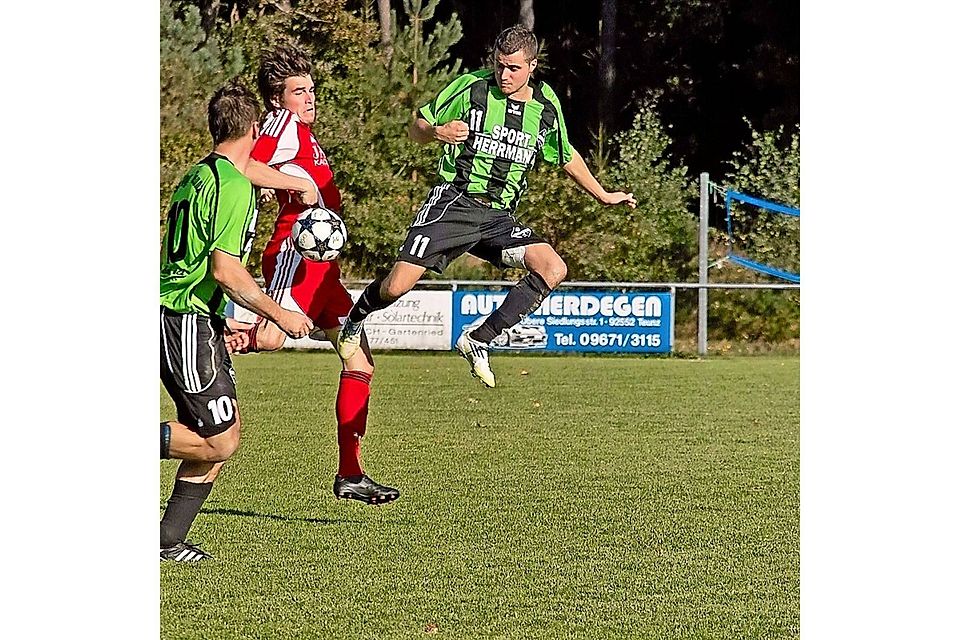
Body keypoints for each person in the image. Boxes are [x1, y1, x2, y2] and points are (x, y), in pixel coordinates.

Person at [336, 25, 637, 387]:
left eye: (513, 68)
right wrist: (437, 132)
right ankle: (355, 319)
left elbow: (564, 152)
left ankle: (478, 339)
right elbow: (417, 127)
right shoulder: (472, 87)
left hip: (498, 219)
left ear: (532, 66)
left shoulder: (545, 105)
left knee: (553, 267)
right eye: (499, 65)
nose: (504, 74)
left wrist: (602, 194)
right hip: (455, 204)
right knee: (396, 287)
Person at [233, 45, 400, 506]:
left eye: (311, 89)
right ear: (277, 99)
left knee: (360, 362)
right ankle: (206, 336)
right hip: (298, 256)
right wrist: (297, 184)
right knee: (270, 338)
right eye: (298, 91)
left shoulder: (304, 134)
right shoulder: (281, 125)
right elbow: (242, 166)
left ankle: (351, 474)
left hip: (325, 270)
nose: (309, 97)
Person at [159, 83, 315, 562]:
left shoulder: (203, 173)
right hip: (183, 318)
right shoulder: (234, 187)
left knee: (220, 431)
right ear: (254, 128)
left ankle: (166, 541)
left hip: (193, 315)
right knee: (218, 442)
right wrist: (280, 313)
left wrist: (220, 319)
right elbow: (225, 270)